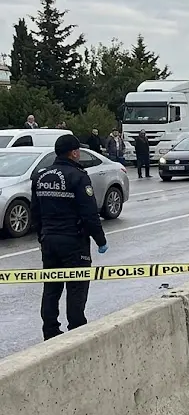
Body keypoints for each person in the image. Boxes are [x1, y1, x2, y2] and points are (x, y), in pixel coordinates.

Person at [30, 135, 108, 340]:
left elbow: (35, 212)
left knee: (51, 286)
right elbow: (89, 213)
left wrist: (42, 236)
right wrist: (100, 240)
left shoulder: (41, 176)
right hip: (73, 241)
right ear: (73, 153)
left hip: (49, 241)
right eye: (78, 151)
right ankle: (76, 329)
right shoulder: (78, 176)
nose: (79, 154)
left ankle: (50, 330)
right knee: (76, 286)